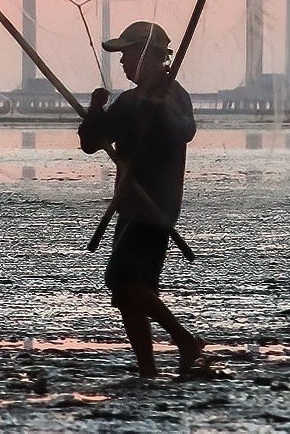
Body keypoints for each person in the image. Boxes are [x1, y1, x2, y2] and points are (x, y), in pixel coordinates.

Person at [78, 20, 203, 377]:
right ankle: (147, 368)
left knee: (123, 280)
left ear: (149, 56)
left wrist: (159, 109)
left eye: (128, 54)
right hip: (130, 203)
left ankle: (185, 341)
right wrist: (95, 107)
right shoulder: (129, 101)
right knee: (126, 291)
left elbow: (185, 131)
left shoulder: (173, 95)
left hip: (156, 204)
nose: (123, 63)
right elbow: (91, 141)